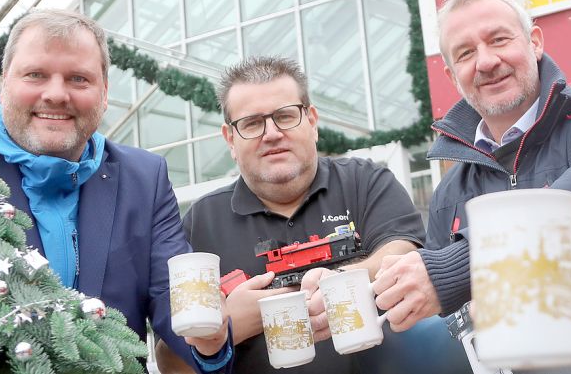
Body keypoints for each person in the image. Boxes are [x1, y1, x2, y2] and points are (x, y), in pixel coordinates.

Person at [370, 0, 571, 370]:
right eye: (466, 53)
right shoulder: (450, 190)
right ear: (452, 76)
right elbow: (441, 314)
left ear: (534, 42)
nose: (485, 62)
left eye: (499, 40)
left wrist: (459, 265)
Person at [0, 10, 232, 373]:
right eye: (36, 75)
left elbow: (175, 301)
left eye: (78, 79)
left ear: (104, 93)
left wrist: (211, 342)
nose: (56, 94)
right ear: (5, 83)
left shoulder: (144, 178)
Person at [156, 56, 425, 374]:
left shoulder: (365, 181)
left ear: (312, 121)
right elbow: (168, 360)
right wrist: (220, 333)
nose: (271, 133)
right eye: (252, 123)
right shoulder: (202, 222)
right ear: (230, 139)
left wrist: (340, 282)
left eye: (285, 116)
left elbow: (404, 253)